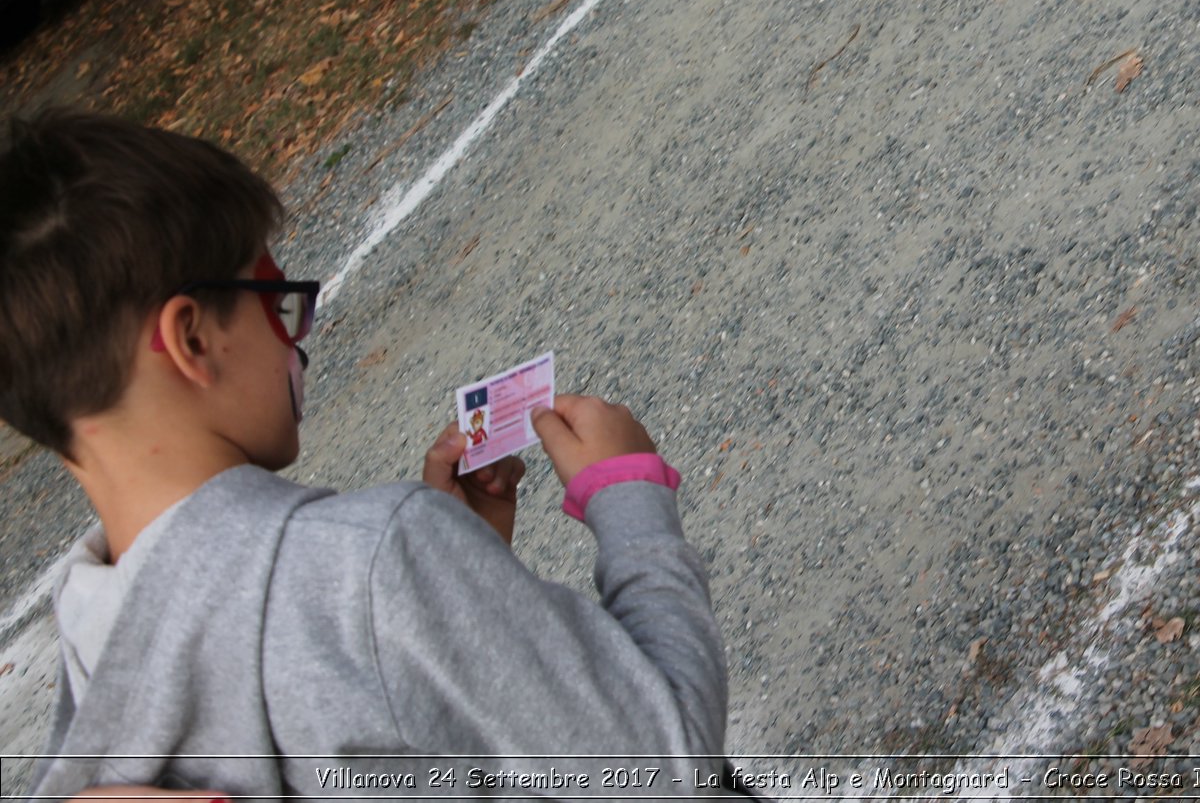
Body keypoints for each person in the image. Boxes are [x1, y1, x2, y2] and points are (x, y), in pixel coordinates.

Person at [1, 110, 736, 799]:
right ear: (192, 340)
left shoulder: (90, 649)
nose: (299, 331)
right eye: (280, 300)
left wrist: (463, 578)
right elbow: (668, 765)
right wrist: (628, 494)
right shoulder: (377, 560)